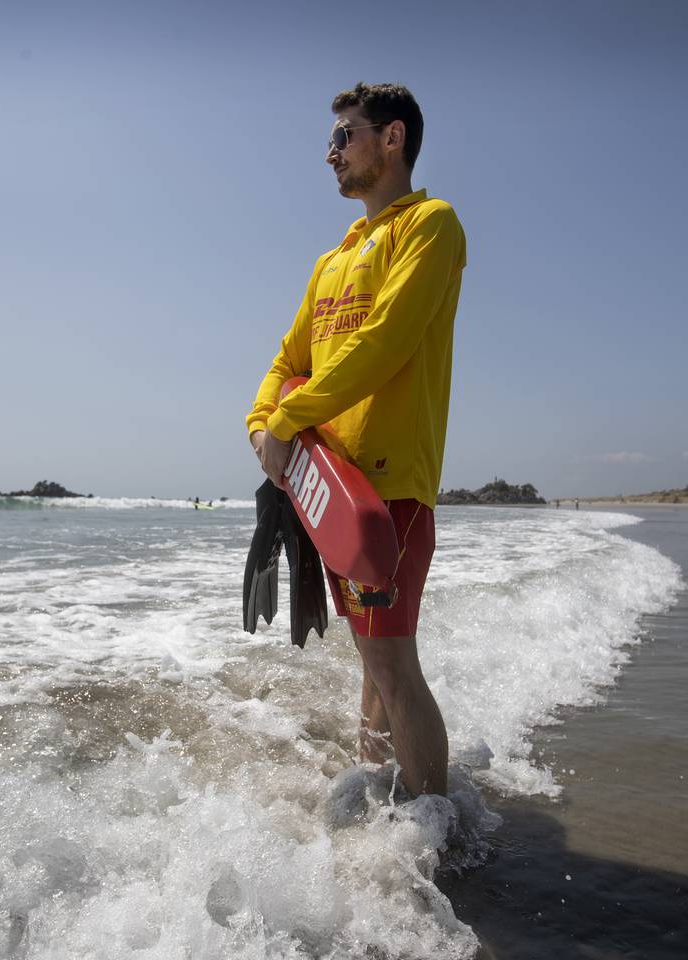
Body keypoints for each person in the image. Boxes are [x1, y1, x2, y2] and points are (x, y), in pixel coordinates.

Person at [245, 82, 465, 798]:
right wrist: (261, 425)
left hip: (391, 485)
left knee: (393, 664)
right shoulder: (332, 259)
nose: (330, 153)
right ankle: (380, 789)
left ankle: (435, 834)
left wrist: (286, 422)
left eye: (344, 135)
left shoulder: (430, 226)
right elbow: (288, 361)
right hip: (335, 493)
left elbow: (386, 342)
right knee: (374, 663)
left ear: (391, 138)